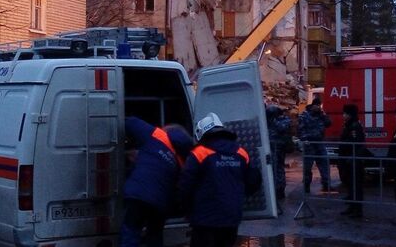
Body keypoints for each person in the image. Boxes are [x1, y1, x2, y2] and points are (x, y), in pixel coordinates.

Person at [179, 113, 262, 247]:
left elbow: (185, 185)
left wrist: (186, 209)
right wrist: (237, 195)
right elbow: (254, 181)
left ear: (202, 134)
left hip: (204, 219)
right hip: (231, 218)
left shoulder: (199, 153)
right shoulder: (241, 152)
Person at [121, 117, 194, 247]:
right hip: (160, 204)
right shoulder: (182, 161)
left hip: (138, 195)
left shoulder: (157, 135)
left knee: (131, 230)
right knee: (155, 235)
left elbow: (130, 122)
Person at [298, 97, 332, 193]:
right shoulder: (304, 115)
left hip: (319, 142)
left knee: (324, 163)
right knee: (308, 166)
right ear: (312, 106)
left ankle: (326, 184)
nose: (318, 107)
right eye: (316, 105)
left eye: (319, 105)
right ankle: (307, 185)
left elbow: (328, 123)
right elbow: (301, 129)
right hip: (309, 143)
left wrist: (322, 114)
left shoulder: (321, 115)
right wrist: (304, 139)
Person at [338, 104, 365, 218]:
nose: (343, 115)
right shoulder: (349, 125)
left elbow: (355, 143)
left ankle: (357, 210)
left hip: (353, 159)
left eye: (345, 113)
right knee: (350, 184)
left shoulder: (354, 126)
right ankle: (352, 206)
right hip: (347, 159)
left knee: (355, 185)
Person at [266, 104, 292, 199]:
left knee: (278, 168)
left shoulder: (284, 120)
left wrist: (273, 120)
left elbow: (282, 128)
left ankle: (280, 189)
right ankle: (274, 189)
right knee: (272, 169)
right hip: (270, 147)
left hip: (279, 148)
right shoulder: (268, 121)